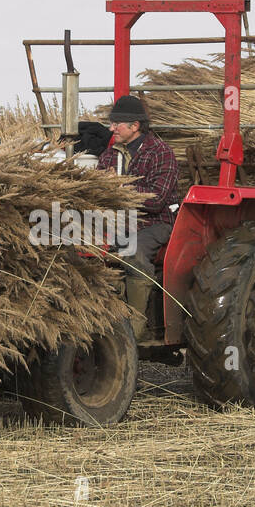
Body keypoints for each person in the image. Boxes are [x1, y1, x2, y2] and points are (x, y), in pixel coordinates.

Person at [98, 95, 179, 342]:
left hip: (153, 224)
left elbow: (156, 200)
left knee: (133, 253)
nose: (111, 129)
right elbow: (97, 193)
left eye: (117, 124)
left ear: (135, 126)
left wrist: (120, 185)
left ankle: (135, 328)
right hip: (117, 224)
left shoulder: (161, 153)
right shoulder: (109, 155)